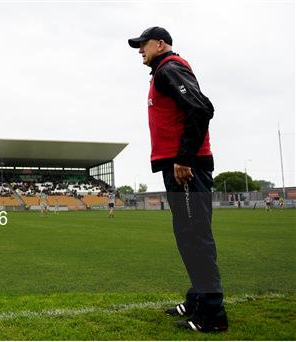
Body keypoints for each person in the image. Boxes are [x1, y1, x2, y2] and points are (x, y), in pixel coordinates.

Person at [128, 27, 228, 332]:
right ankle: (198, 298)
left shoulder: (168, 68)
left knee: (195, 239)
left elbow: (201, 108)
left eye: (142, 45)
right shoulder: (164, 70)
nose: (139, 51)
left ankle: (212, 315)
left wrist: (183, 158)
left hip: (186, 168)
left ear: (160, 44)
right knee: (189, 238)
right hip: (181, 167)